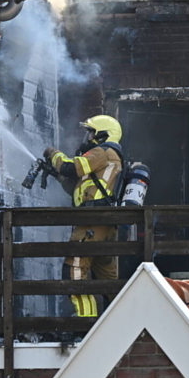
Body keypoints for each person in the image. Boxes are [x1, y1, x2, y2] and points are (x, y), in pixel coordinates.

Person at [43, 115, 124, 318]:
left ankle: (85, 326)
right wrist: (55, 174)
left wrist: (53, 154)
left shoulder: (103, 152)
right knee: (108, 282)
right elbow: (78, 188)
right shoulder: (108, 157)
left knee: (75, 273)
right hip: (104, 226)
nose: (87, 136)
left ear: (102, 134)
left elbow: (70, 167)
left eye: (91, 132)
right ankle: (122, 325)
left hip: (92, 224)